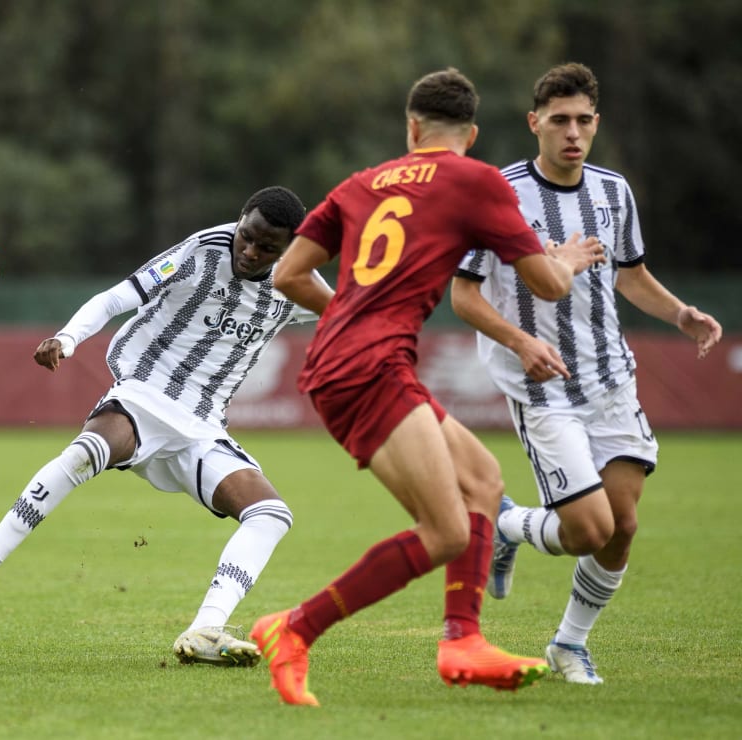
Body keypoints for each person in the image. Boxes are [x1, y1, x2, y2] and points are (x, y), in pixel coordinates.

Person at [255, 68, 606, 707]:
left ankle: (462, 640)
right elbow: (548, 285)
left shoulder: (363, 183)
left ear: (411, 129)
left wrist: (346, 321)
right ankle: (293, 629)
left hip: (349, 360)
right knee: (445, 531)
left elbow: (286, 273)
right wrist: (570, 259)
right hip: (370, 367)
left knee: (482, 481)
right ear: (470, 134)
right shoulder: (477, 179)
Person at [0, 186, 332, 666]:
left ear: (289, 248)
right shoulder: (202, 249)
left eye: (267, 248)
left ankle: (205, 628)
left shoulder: (296, 282)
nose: (249, 251)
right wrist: (68, 338)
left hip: (203, 428)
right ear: (239, 219)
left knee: (271, 514)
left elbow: (350, 313)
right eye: (246, 237)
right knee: (86, 453)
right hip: (144, 393)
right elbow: (115, 298)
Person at [451, 62, 722, 685]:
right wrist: (520, 342)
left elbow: (630, 275)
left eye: (583, 121)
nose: (572, 133)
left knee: (622, 526)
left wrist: (679, 312)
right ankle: (508, 524)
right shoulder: (499, 192)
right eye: (559, 120)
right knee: (585, 530)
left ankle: (567, 643)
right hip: (542, 388)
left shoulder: (613, 192)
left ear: (596, 124)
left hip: (610, 378)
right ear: (534, 123)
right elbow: (463, 295)